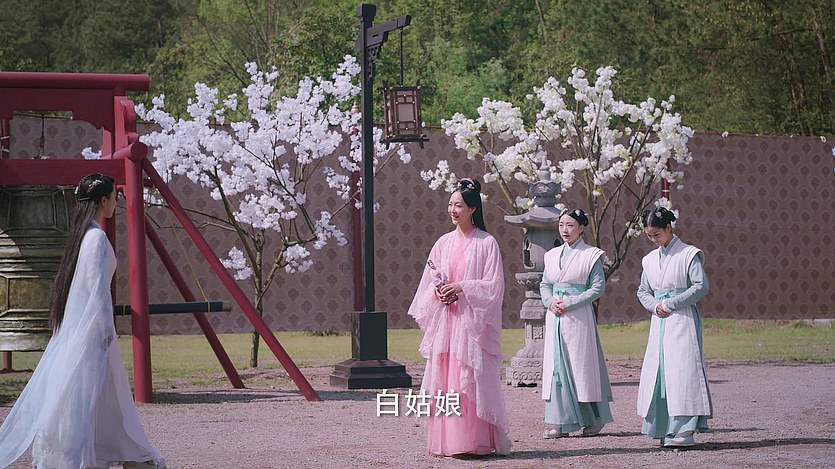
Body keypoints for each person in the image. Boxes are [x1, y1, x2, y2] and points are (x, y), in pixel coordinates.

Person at [0, 174, 165, 468]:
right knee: (91, 395)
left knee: (101, 395)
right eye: (114, 197)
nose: (116, 202)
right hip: (93, 331)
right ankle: (92, 456)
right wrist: (104, 329)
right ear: (103, 200)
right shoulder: (96, 238)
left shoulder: (82, 236)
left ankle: (125, 455)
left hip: (83, 329)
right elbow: (95, 288)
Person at [407, 178, 511, 457]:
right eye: (451, 204)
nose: (453, 210)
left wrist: (463, 287)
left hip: (471, 325)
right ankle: (449, 441)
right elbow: (429, 282)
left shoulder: (487, 243)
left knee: (468, 379)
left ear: (473, 208)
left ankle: (474, 441)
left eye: (459, 205)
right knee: (446, 379)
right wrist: (439, 292)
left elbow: (494, 286)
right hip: (447, 322)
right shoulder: (443, 243)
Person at [636, 207, 712, 448]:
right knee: (659, 371)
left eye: (657, 234)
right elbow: (643, 290)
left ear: (669, 228)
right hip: (659, 319)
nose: (653, 239)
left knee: (682, 371)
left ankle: (684, 430)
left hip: (682, 318)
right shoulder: (649, 260)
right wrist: (655, 306)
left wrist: (670, 303)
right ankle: (662, 427)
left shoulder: (689, 254)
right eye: (649, 236)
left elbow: (700, 286)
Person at [539, 208, 613, 439]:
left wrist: (570, 302)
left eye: (570, 225)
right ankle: (560, 421)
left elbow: (597, 287)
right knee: (556, 367)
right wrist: (550, 301)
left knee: (582, 368)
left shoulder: (591, 255)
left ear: (581, 228)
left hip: (578, 317)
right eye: (561, 225)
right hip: (555, 315)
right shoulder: (551, 255)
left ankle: (595, 418)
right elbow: (545, 284)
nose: (565, 230)